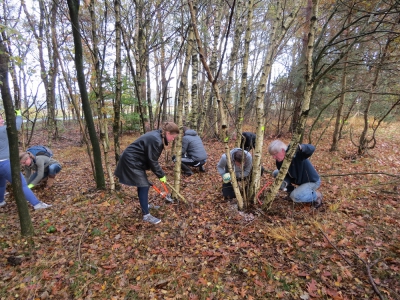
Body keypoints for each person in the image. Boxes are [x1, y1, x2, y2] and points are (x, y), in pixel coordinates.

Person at [114, 121, 179, 224]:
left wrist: (160, 174)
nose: (173, 139)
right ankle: (146, 215)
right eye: (173, 137)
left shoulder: (158, 136)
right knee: (144, 185)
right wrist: (161, 175)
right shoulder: (156, 140)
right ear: (168, 133)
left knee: (143, 185)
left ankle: (145, 205)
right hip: (131, 161)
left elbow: (150, 158)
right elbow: (152, 160)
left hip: (136, 161)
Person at [0, 111, 51, 210]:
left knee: (1, 183)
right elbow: (17, 126)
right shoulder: (2, 130)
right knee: (21, 184)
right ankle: (37, 204)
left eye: (2, 118)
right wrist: (18, 115)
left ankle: (1, 201)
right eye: (0, 118)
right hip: (5, 163)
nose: (2, 120)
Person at [268, 139, 323, 208]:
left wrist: (300, 147)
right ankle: (291, 192)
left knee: (295, 197)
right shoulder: (279, 161)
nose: (274, 157)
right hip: (298, 179)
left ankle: (316, 196)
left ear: (282, 150)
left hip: (311, 181)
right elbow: (285, 174)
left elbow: (311, 148)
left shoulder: (296, 154)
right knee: (276, 173)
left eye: (275, 154)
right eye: (272, 155)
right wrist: (285, 183)